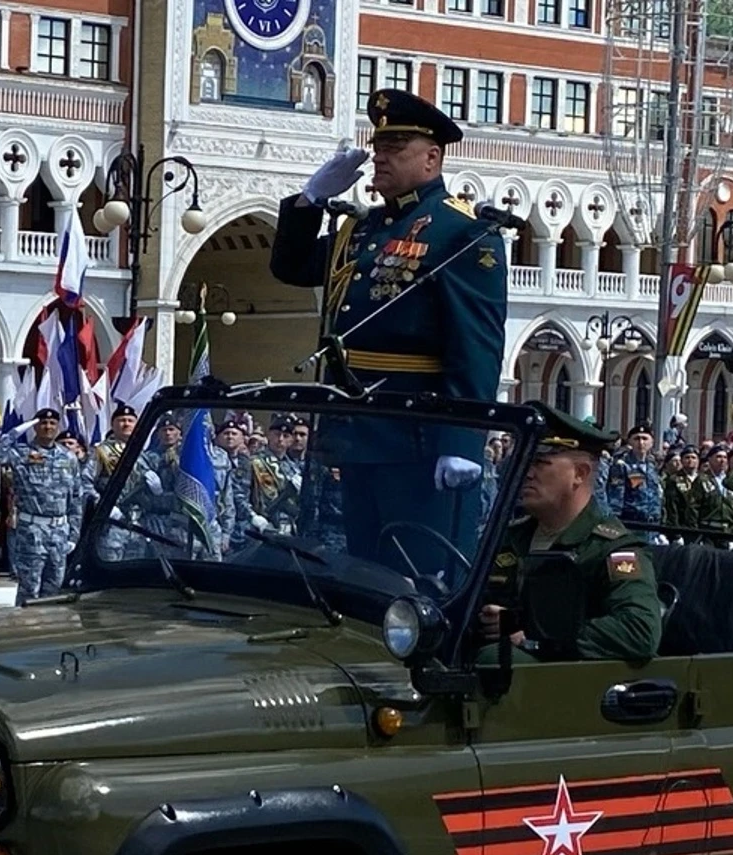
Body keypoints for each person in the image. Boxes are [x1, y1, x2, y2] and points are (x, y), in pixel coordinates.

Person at [269, 88, 508, 574]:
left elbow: (476, 345)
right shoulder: (363, 229)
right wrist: (310, 200)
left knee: (418, 577)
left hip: (417, 437)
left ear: (432, 157)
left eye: (395, 150)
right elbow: (292, 268)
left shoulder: (461, 232)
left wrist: (462, 442)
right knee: (362, 577)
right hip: (357, 431)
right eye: (378, 149)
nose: (380, 159)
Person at [475, 405, 662, 665]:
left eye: (540, 463)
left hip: (563, 681)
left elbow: (639, 631)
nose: (526, 473)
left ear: (579, 474)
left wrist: (533, 634)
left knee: (493, 660)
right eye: (525, 462)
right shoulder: (511, 537)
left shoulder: (610, 548)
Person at [0, 407, 85, 606]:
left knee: (54, 586)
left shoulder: (69, 458)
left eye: (52, 424)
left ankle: (48, 630)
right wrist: (13, 434)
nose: (48, 427)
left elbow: (75, 499)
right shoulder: (21, 454)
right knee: (29, 587)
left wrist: (73, 534)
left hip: (59, 530)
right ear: (35, 427)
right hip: (32, 530)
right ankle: (25, 627)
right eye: (43, 423)